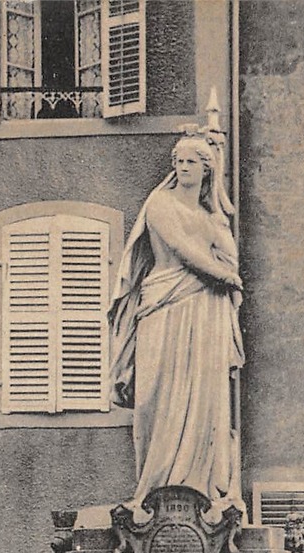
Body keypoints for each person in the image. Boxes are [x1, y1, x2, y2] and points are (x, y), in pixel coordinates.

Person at [108, 133, 244, 513]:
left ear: (206, 168)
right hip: (165, 307)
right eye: (178, 161)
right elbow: (184, 251)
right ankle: (154, 486)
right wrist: (224, 277)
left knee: (203, 397)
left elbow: (229, 258)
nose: (181, 168)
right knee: (157, 396)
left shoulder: (211, 217)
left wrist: (220, 234)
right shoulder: (160, 203)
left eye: (190, 162)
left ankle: (202, 487)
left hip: (203, 312)